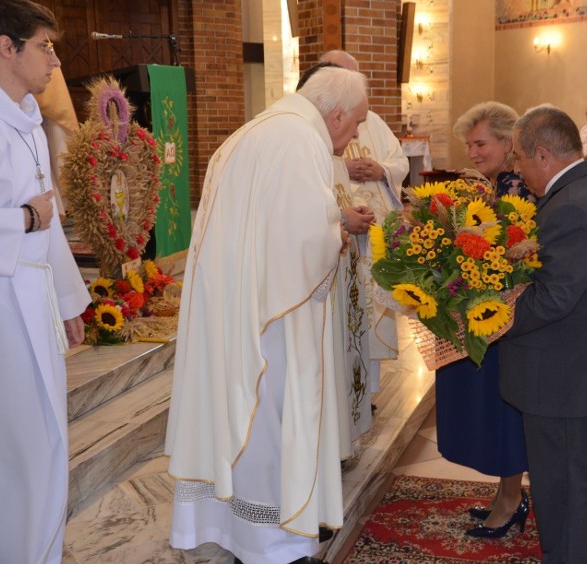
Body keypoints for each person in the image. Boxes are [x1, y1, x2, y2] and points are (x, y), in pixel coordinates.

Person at [165, 66, 368, 564]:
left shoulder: (252, 132)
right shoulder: (300, 140)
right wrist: (336, 237)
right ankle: (274, 542)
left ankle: (238, 530)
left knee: (244, 422)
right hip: (275, 320)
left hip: (238, 307)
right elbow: (304, 241)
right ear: (336, 113)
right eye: (358, 121)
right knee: (273, 425)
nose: (358, 132)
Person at [503, 105, 587, 562]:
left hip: (563, 370)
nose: (516, 168)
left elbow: (555, 297)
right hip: (570, 364)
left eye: (518, 157)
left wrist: (487, 320)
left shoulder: (574, 205)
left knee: (563, 483)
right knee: (565, 476)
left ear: (542, 154)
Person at [0, 2, 90, 562]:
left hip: (31, 300)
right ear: (6, 47)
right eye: (44, 46)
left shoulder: (26, 118)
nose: (55, 59)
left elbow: (49, 218)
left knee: (46, 441)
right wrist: (23, 218)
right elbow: (37, 216)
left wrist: (71, 302)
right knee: (18, 449)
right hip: (0, 309)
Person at [439, 101, 534, 539]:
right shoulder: (501, 181)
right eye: (468, 145)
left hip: (508, 318)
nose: (473, 152)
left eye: (480, 143)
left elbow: (510, 250)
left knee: (505, 410)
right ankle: (506, 495)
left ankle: (512, 499)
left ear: (506, 140)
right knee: (502, 409)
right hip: (496, 314)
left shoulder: (516, 184)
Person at [318, 50, 409, 445]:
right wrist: (344, 169)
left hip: (369, 236)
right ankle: (345, 399)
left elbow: (398, 161)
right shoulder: (313, 127)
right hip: (337, 241)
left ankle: (363, 394)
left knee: (364, 317)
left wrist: (382, 170)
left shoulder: (372, 121)